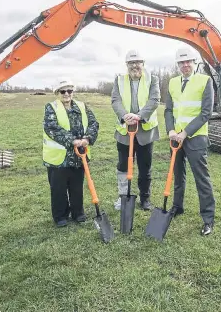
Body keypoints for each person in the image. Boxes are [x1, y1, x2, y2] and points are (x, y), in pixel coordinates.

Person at [165, 46, 216, 236]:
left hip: (195, 137)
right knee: (178, 176)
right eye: (181, 62)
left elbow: (206, 113)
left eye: (188, 62)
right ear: (178, 64)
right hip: (175, 138)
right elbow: (169, 110)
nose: (185, 65)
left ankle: (208, 219)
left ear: (194, 63)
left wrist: (185, 132)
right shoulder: (172, 83)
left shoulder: (205, 81)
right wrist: (171, 130)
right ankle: (177, 207)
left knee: (201, 179)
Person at [43, 78, 99, 227]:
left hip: (79, 155)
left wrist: (87, 138)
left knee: (76, 187)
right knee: (59, 189)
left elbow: (94, 123)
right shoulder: (51, 107)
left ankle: (78, 213)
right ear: (57, 93)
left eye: (69, 91)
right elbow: (52, 128)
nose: (66, 94)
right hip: (58, 158)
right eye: (63, 91)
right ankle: (60, 216)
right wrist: (73, 140)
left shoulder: (82, 106)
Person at [111, 49, 160, 211]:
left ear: (143, 64)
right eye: (131, 63)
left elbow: (154, 100)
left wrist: (139, 116)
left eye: (137, 62)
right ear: (127, 65)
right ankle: (123, 197)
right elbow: (115, 100)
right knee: (123, 166)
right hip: (125, 131)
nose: (135, 66)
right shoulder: (119, 80)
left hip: (145, 131)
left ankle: (145, 199)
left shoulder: (153, 79)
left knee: (145, 167)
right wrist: (125, 116)